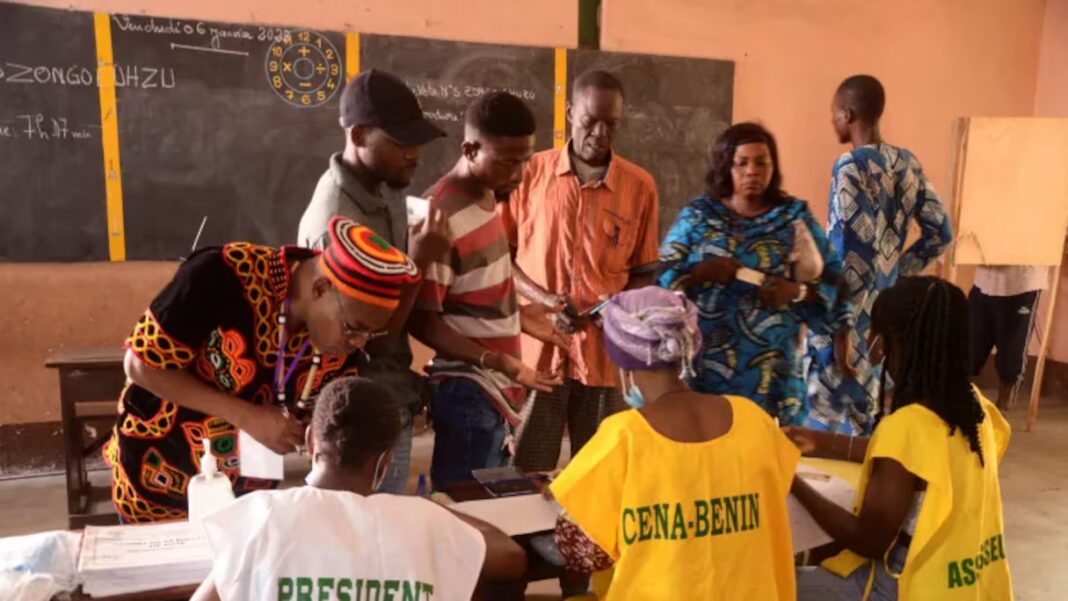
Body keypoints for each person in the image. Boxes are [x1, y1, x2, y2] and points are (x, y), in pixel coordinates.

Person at [103, 217, 420, 522]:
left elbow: (323, 399)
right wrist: (246, 416)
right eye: (353, 328)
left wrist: (312, 429)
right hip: (163, 483)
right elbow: (140, 365)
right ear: (321, 288)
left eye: (370, 334)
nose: (359, 343)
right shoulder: (222, 276)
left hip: (247, 498)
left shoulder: (338, 341)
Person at [549, 287, 800, 600]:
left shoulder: (623, 435)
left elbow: (582, 552)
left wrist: (576, 496)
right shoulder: (754, 419)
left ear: (621, 362)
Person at [190, 376, 526, 601]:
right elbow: (511, 558)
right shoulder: (425, 521)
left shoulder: (262, 517)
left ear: (309, 441)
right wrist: (435, 508)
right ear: (385, 461)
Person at [788, 276, 1013, 600]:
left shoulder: (905, 427)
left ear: (885, 342)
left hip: (902, 587)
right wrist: (824, 442)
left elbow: (867, 540)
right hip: (965, 585)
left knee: (769, 581)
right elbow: (919, 459)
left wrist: (791, 481)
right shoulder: (975, 410)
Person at [503, 70, 661, 474]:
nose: (600, 133)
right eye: (591, 121)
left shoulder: (640, 187)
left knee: (597, 474)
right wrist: (544, 298)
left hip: (603, 358)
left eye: (612, 124)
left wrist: (617, 305)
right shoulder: (530, 174)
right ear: (571, 112)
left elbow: (644, 271)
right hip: (539, 354)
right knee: (528, 469)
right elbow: (500, 256)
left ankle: (584, 540)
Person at [297, 68, 447, 494]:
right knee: (366, 534)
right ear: (360, 135)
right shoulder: (336, 223)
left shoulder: (385, 185)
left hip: (389, 394)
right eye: (401, 142)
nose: (415, 154)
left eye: (417, 141)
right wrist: (418, 263)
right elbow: (372, 338)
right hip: (357, 420)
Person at [408, 92, 561, 491]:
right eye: (508, 161)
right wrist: (496, 359)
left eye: (525, 160)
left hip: (493, 388)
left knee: (491, 504)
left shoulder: (487, 193)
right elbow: (424, 320)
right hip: (468, 389)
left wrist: (519, 316)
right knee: (469, 510)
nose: (519, 173)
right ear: (470, 149)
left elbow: (479, 271)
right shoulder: (439, 217)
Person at [657, 122, 840, 425]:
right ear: (725, 167)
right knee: (709, 456)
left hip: (773, 375)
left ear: (773, 166)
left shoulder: (793, 217)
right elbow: (662, 279)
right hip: (706, 371)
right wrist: (701, 273)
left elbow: (834, 282)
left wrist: (796, 292)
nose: (752, 171)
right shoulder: (699, 216)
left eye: (761, 162)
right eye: (741, 163)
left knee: (765, 462)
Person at [805, 75, 953, 436]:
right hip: (881, 313)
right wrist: (896, 274)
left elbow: (849, 253)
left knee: (825, 431)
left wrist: (838, 329)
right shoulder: (908, 164)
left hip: (844, 318)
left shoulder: (849, 166)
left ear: (848, 114)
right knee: (865, 416)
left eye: (834, 113)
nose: (831, 121)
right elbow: (941, 233)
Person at [969, 265, 1049, 409]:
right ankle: (959, 402)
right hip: (984, 281)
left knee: (1012, 351)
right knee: (969, 346)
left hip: (1022, 284)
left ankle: (1002, 407)